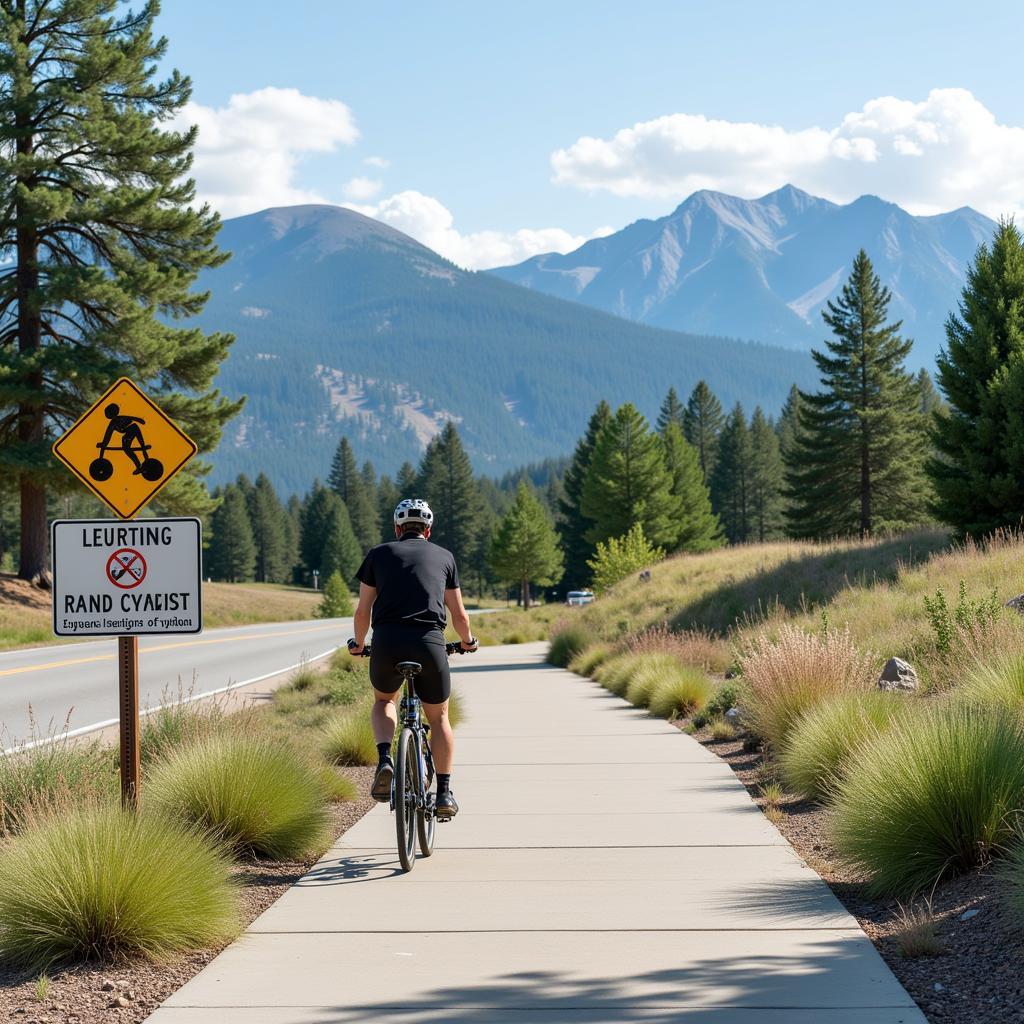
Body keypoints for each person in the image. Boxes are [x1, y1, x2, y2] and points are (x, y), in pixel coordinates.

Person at [350, 498, 478, 818]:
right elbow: (459, 615)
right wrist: (467, 642)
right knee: (438, 718)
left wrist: (358, 643)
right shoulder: (445, 557)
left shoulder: (378, 555)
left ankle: (385, 760)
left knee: (384, 702)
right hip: (430, 644)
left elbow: (363, 610)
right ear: (428, 530)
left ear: (397, 528)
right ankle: (444, 794)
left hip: (387, 644)